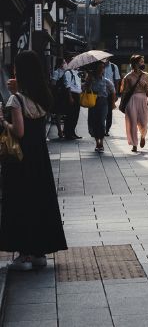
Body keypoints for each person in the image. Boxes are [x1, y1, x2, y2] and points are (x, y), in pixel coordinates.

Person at [0, 51, 67, 269]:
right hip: (40, 158)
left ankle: (24, 254)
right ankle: (40, 253)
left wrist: (3, 121)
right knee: (40, 201)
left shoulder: (15, 99)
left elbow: (18, 131)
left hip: (21, 160)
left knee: (21, 202)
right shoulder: (43, 96)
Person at [121, 55, 148, 153]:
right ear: (135, 63)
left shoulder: (146, 75)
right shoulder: (128, 77)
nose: (143, 64)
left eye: (143, 61)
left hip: (143, 99)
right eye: (141, 62)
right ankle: (134, 144)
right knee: (132, 123)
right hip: (132, 100)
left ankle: (143, 136)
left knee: (144, 122)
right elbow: (124, 91)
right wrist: (123, 103)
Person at [84, 62, 115, 153]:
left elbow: (113, 91)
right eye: (100, 67)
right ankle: (97, 141)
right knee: (93, 122)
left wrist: (112, 103)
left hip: (103, 102)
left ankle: (101, 142)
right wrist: (88, 82)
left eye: (103, 67)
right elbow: (85, 89)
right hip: (93, 102)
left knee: (101, 122)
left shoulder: (106, 81)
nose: (102, 69)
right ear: (96, 69)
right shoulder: (90, 79)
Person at [61, 64, 82, 141]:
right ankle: (68, 133)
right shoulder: (68, 72)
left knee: (76, 115)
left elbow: (78, 85)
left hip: (77, 95)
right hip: (72, 95)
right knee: (70, 115)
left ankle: (72, 132)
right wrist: (70, 97)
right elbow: (67, 85)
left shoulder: (77, 73)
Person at [103, 59, 120, 135]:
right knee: (101, 111)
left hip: (110, 93)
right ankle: (101, 128)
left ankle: (107, 130)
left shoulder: (113, 66)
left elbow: (116, 80)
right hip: (101, 92)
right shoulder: (99, 66)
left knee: (109, 112)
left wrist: (116, 93)